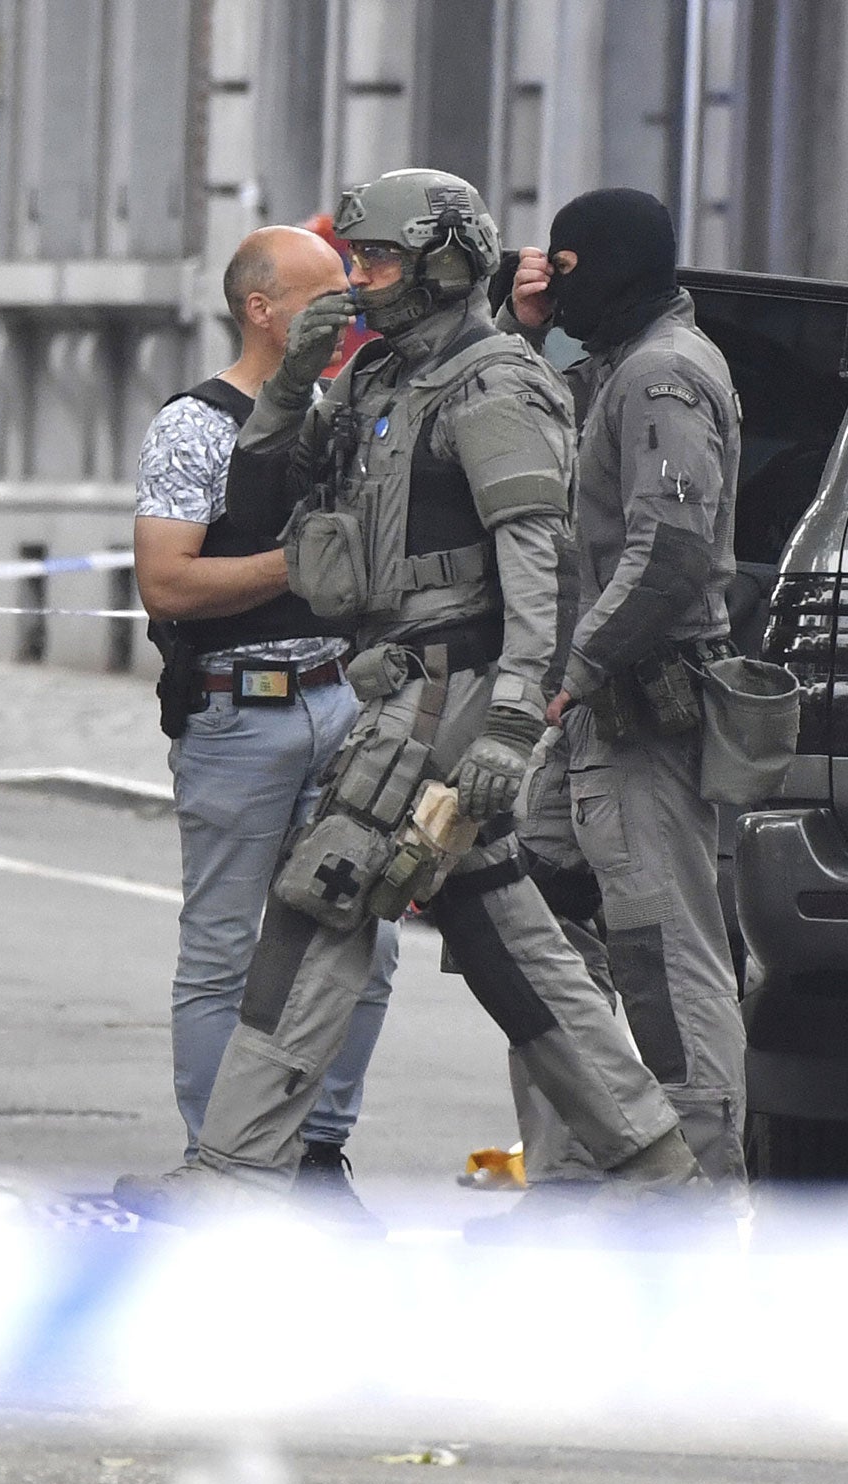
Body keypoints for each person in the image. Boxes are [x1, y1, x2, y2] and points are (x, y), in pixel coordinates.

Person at [111, 169, 705, 1225]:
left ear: (441, 259)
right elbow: (262, 499)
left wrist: (516, 713)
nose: (362, 279)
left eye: (378, 259)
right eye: (354, 259)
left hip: (450, 694)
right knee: (504, 941)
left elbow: (540, 562)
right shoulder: (379, 378)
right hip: (395, 685)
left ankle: (229, 1178)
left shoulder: (492, 386)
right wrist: (292, 383)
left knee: (324, 892)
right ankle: (663, 1176)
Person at [484, 187, 748, 1216]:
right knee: (532, 930)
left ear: (608, 265)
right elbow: (538, 400)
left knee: (660, 957)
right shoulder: (621, 363)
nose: (555, 282)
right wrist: (524, 327)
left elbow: (670, 552)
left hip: (637, 716)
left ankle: (689, 1194)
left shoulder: (661, 374)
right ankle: (576, 1172)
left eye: (566, 263)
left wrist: (571, 670)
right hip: (593, 720)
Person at [134, 224, 399, 1235]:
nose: (345, 309)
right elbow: (165, 580)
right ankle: (219, 1165)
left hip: (339, 703)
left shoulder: (340, 416)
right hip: (237, 714)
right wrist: (302, 566)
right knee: (221, 951)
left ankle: (317, 1155)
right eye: (322, 294)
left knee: (361, 947)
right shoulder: (194, 427)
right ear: (260, 308)